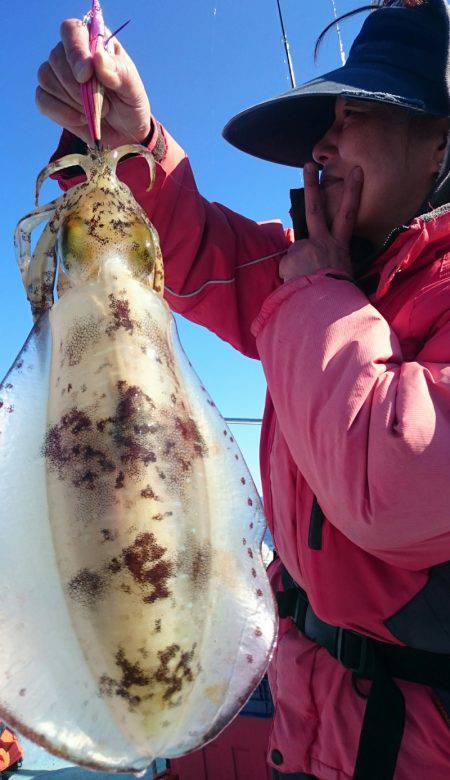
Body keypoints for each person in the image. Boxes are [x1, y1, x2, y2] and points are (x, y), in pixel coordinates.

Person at [36, 0, 450, 778]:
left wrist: (318, 285)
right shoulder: (319, 271)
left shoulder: (324, 281)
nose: (323, 144)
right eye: (324, 122)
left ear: (440, 143)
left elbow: (394, 484)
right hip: (308, 726)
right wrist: (127, 142)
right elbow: (194, 247)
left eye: (356, 114)